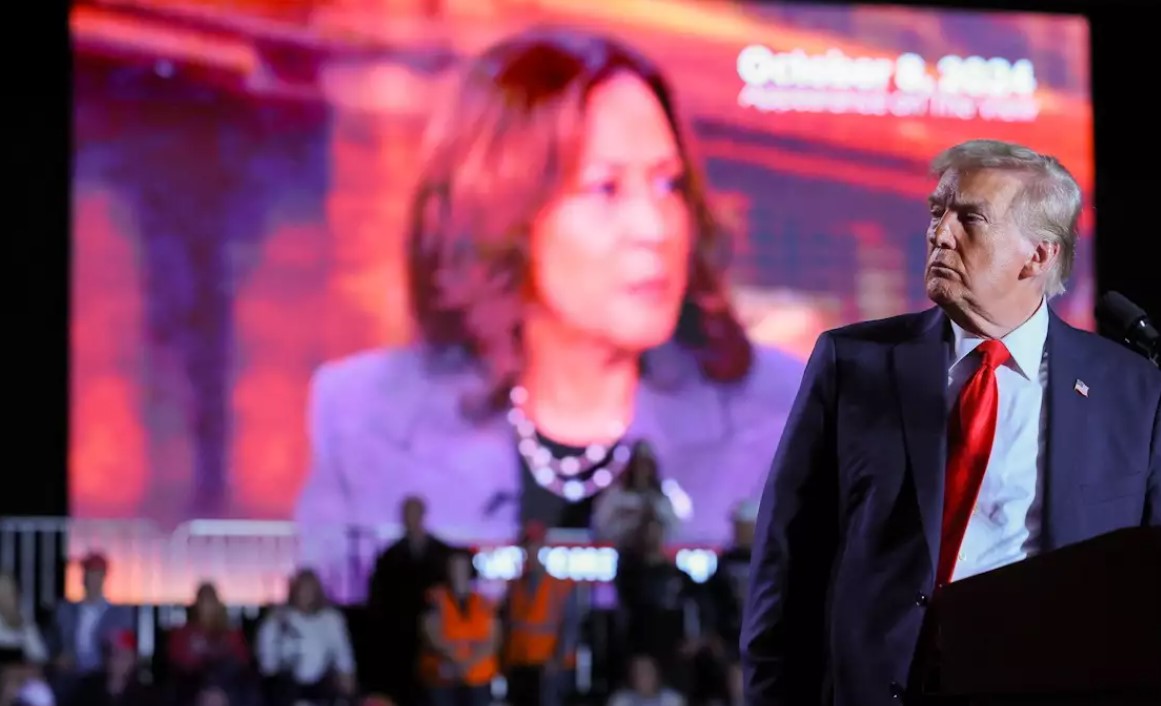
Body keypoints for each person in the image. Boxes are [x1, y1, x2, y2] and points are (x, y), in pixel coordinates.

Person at [294, 26, 804, 567]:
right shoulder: (363, 419)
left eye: (667, 184)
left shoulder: (786, 415)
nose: (654, 227)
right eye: (605, 188)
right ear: (502, 209)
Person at [741, 139, 1160, 706]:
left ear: (1038, 256)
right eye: (938, 212)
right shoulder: (854, 363)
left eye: (970, 219)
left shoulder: (1132, 390)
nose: (940, 234)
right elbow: (787, 558)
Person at [366, 496, 453, 706]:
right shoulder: (390, 556)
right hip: (402, 638)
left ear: (423, 515)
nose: (410, 519)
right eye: (406, 514)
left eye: (414, 513)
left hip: (438, 639)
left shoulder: (443, 553)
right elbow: (379, 599)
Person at [500, 522, 578, 706]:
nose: (530, 550)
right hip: (518, 663)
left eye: (535, 545)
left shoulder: (560, 586)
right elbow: (507, 626)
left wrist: (557, 659)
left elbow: (570, 626)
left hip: (547, 667)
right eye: (527, 545)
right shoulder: (514, 586)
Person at [256, 569, 356, 705]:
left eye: (310, 589)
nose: (306, 594)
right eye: (302, 589)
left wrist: (347, 684)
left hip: (322, 689)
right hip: (286, 690)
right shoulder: (278, 619)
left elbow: (344, 659)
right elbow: (267, 664)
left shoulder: (332, 620)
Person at [47, 553, 134, 706]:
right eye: (89, 573)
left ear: (104, 577)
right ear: (83, 577)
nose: (92, 579)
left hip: (102, 672)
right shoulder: (65, 611)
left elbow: (125, 648)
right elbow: (52, 642)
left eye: (96, 574)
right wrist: (57, 657)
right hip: (70, 671)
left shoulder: (120, 614)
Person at [419, 551, 499, 706]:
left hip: (478, 678)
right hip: (444, 678)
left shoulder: (483, 602)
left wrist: (467, 663)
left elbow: (493, 639)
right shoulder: (435, 599)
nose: (458, 572)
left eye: (462, 567)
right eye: (454, 567)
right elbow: (431, 633)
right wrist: (457, 660)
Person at [592, 440, 680, 545]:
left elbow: (675, 531)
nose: (642, 470)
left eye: (646, 465)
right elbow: (599, 526)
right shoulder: (614, 496)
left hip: (651, 551)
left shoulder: (660, 499)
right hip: (621, 548)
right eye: (638, 465)